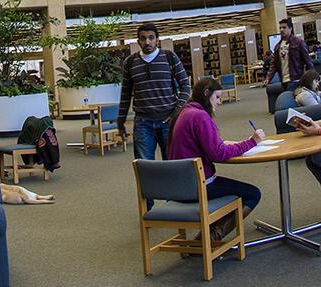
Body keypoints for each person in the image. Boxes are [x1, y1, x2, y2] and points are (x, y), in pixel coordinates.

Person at [168, 77, 264, 239]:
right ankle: (210, 238)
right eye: (217, 97)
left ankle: (207, 236)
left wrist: (226, 144)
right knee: (253, 194)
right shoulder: (200, 116)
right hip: (198, 186)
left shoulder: (184, 112)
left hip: (179, 186)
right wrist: (252, 142)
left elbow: (204, 145)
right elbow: (218, 154)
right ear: (207, 93)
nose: (219, 102)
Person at [117, 22, 191, 166]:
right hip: (143, 123)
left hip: (168, 121)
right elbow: (125, 94)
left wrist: (176, 112)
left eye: (151, 38)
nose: (147, 42)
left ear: (157, 40)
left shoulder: (169, 57)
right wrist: (121, 122)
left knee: (173, 164)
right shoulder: (130, 63)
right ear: (138, 41)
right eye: (143, 38)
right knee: (145, 167)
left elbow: (186, 85)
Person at [263, 17, 314, 90]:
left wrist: (312, 79)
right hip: (283, 81)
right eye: (280, 28)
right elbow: (274, 64)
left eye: (284, 27)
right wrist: (268, 78)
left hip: (296, 80)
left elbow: (308, 61)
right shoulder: (278, 46)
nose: (282, 30)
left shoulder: (298, 42)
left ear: (290, 29)